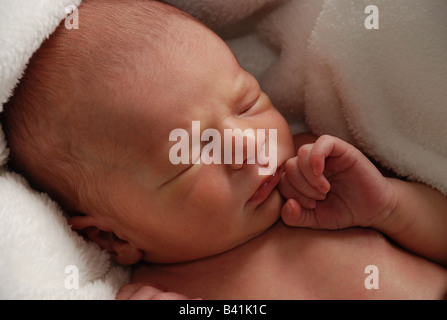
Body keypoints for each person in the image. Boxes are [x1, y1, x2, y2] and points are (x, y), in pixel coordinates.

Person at [1, 0, 446, 300]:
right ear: (112, 237)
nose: (247, 145)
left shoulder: (319, 169)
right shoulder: (171, 293)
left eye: (247, 104)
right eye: (191, 154)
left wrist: (389, 206)